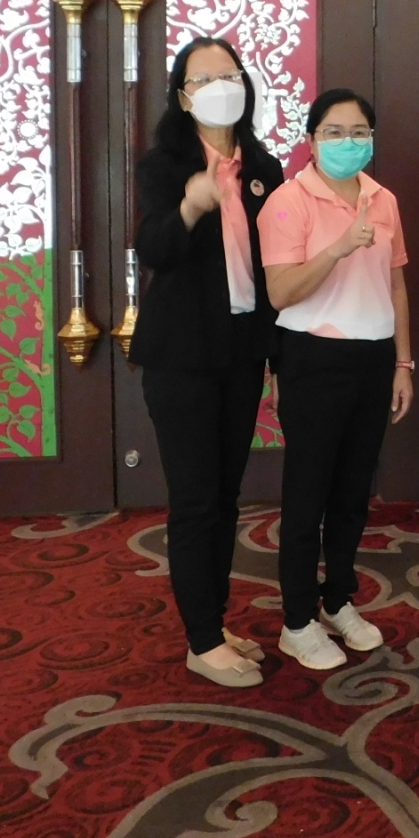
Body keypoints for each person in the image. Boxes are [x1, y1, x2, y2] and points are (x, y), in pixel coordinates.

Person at [132, 38, 286, 689]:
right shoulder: (165, 165)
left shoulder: (264, 167)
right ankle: (200, 641)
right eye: (204, 78)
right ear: (182, 95)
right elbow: (153, 249)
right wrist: (192, 205)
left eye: (230, 74)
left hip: (241, 351)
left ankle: (213, 624)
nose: (221, 86)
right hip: (181, 356)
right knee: (195, 499)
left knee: (226, 496)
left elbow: (276, 264)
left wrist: (278, 354)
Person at [261, 88, 416, 672]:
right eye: (334, 132)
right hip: (313, 359)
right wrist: (338, 248)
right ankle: (297, 620)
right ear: (311, 139)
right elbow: (281, 292)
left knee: (352, 494)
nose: (347, 142)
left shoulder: (383, 199)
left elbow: (396, 285)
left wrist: (403, 363)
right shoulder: (287, 202)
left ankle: (337, 599)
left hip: (373, 358)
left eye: (358, 132)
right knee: (308, 494)